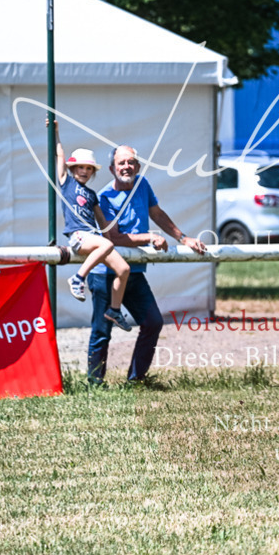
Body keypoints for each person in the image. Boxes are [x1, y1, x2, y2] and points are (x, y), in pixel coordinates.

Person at [87, 145, 207, 385]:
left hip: (133, 271)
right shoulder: (103, 198)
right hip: (106, 274)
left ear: (138, 167)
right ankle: (94, 385)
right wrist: (150, 237)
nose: (126, 167)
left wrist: (183, 238)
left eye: (131, 162)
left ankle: (136, 380)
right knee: (102, 332)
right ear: (112, 169)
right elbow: (115, 238)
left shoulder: (142, 184)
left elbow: (158, 214)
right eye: (121, 163)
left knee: (153, 322)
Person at [55, 132, 133, 332]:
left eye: (89, 168)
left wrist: (108, 243)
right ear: (72, 168)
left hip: (94, 240)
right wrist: (56, 133)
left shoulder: (91, 195)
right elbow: (59, 156)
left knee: (124, 270)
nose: (84, 171)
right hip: (78, 237)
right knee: (106, 244)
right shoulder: (67, 183)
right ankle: (78, 278)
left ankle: (114, 309)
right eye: (81, 167)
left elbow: (101, 221)